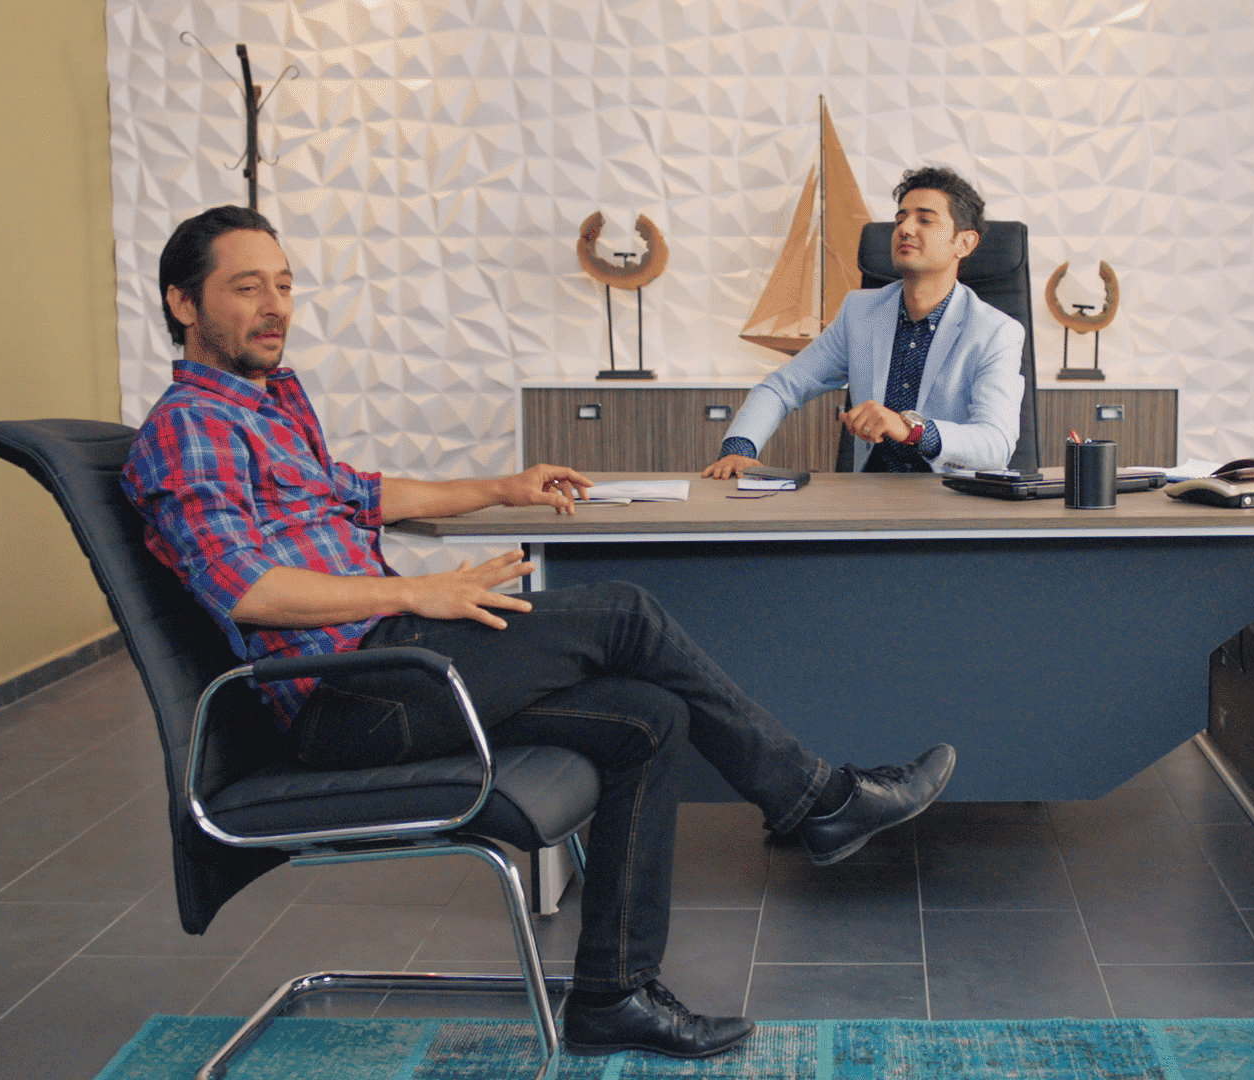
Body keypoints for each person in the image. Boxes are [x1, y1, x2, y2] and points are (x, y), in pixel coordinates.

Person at [122, 206, 957, 1060]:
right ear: (184, 304)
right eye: (247, 288)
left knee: (649, 720)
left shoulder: (268, 406)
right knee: (624, 613)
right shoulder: (190, 426)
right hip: (349, 695)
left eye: (284, 285)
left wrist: (502, 487)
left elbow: (365, 495)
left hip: (389, 670)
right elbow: (248, 590)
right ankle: (818, 800)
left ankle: (613, 997)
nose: (274, 306)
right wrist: (420, 592)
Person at [702, 165, 1025, 478]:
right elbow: (783, 386)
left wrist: (912, 430)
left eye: (925, 219)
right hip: (870, 496)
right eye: (900, 218)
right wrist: (739, 448)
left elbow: (996, 443)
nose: (905, 228)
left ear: (964, 243)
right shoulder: (860, 312)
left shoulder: (995, 332)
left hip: (950, 498)